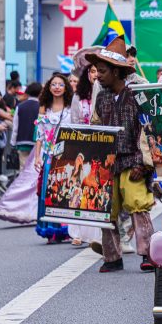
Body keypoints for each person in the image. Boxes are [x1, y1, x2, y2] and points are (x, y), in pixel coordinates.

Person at [88, 36, 155, 273]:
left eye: (102, 71)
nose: (97, 75)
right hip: (107, 163)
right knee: (107, 209)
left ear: (116, 72)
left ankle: (149, 253)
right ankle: (112, 256)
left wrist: (145, 163)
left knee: (138, 204)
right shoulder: (101, 97)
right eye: (97, 71)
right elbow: (95, 127)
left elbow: (148, 128)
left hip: (134, 159)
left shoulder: (138, 94)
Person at [34, 74, 73, 242]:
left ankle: (67, 229)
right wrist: (37, 157)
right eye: (54, 84)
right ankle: (51, 230)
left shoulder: (71, 108)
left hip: (67, 156)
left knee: (65, 192)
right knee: (48, 192)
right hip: (49, 157)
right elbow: (39, 135)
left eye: (60, 84)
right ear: (49, 88)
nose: (57, 87)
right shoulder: (44, 108)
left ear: (66, 88)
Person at [68, 62, 101, 248]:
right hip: (81, 145)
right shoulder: (78, 97)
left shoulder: (105, 94)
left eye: (98, 71)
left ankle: (95, 233)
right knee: (78, 187)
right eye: (92, 71)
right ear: (87, 74)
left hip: (100, 145)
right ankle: (76, 232)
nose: (95, 74)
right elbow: (74, 121)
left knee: (95, 190)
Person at [11, 82, 41, 170]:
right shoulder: (42, 107)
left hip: (22, 142)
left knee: (24, 169)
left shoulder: (20, 106)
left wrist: (13, 143)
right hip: (37, 143)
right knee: (35, 169)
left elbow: (15, 126)